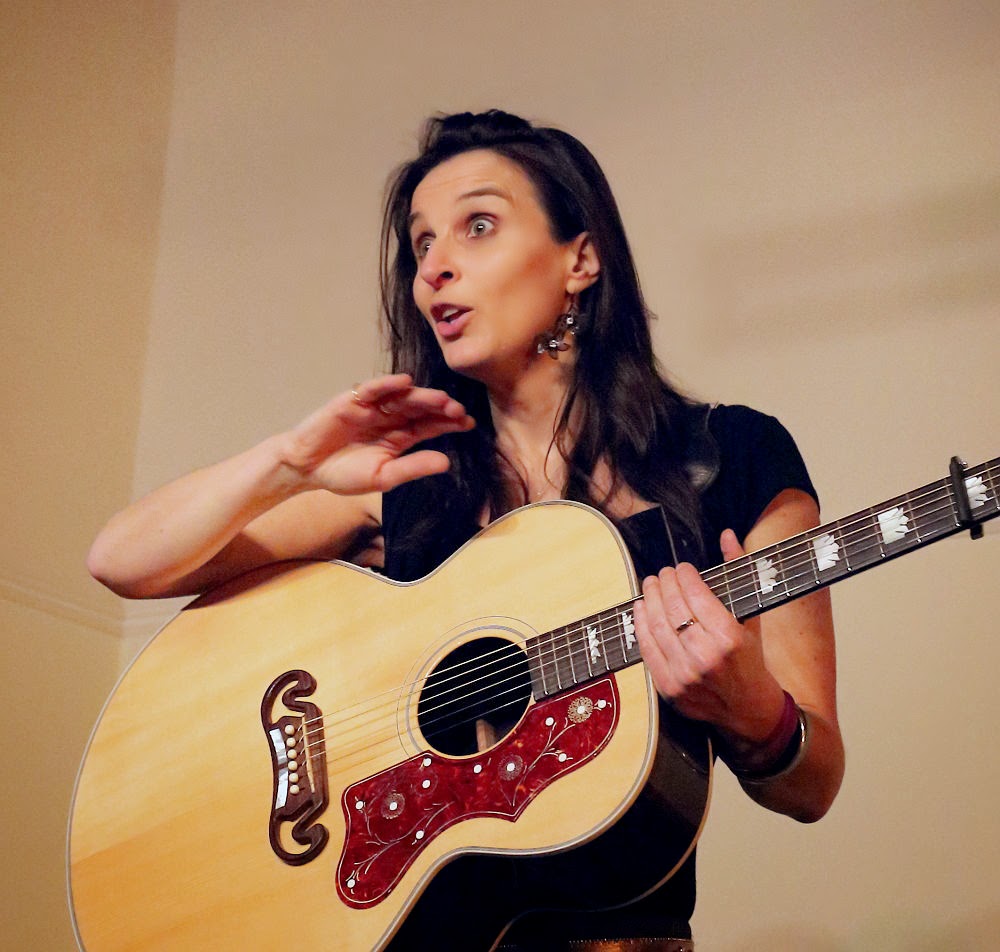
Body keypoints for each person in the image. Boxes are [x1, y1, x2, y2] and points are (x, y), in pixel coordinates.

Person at [88, 110, 844, 950]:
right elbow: (122, 560)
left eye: (477, 226)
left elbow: (814, 785)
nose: (435, 267)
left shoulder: (736, 457)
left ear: (580, 259)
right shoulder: (409, 478)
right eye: (421, 243)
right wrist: (290, 462)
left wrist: (755, 714)